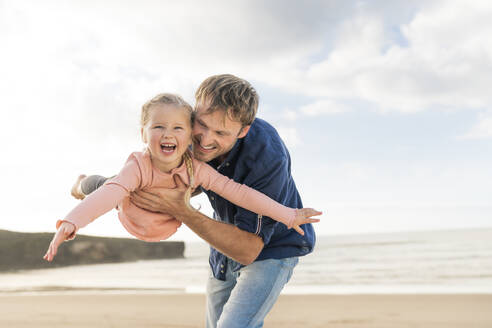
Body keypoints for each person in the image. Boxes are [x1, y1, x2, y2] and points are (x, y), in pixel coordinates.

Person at [127, 75, 319, 328]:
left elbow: (248, 250)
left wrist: (181, 210)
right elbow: (147, 177)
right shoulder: (183, 132)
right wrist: (91, 185)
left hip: (271, 247)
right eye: (202, 125)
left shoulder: (266, 157)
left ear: (243, 131)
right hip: (222, 242)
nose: (205, 140)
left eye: (220, 133)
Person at [43, 93, 321, 262]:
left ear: (189, 136)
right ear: (143, 133)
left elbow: (240, 193)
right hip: (129, 209)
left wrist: (287, 214)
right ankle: (81, 183)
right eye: (159, 127)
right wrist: (70, 222)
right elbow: (106, 196)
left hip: (163, 219)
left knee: (119, 186)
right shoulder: (137, 165)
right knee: (108, 187)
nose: (168, 134)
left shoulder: (196, 168)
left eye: (177, 128)